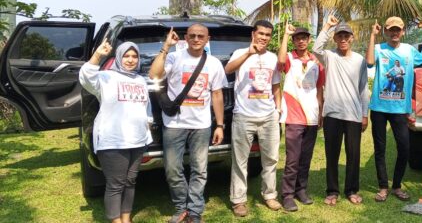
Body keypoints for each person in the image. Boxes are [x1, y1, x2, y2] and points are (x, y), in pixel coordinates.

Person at [149, 25, 227, 223]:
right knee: (173, 169)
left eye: (201, 36)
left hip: (201, 125)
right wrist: (166, 46)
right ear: (185, 38)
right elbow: (154, 75)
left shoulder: (214, 63)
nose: (196, 39)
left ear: (207, 39)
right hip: (175, 124)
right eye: (192, 35)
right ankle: (181, 207)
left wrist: (219, 125)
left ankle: (194, 211)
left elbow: (217, 94)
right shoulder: (175, 57)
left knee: (199, 170)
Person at [366, 16, 422, 202]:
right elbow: (369, 62)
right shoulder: (378, 49)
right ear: (385, 31)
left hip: (400, 109)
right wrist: (372, 35)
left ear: (402, 32)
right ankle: (383, 186)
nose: (394, 33)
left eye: (398, 29)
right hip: (379, 108)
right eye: (391, 29)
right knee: (380, 148)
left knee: (404, 148)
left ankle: (397, 186)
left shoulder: (409, 50)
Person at [79, 40, 152, 223]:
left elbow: (146, 107)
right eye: (126, 56)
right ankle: (115, 220)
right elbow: (86, 76)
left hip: (137, 140)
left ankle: (126, 219)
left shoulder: (140, 80)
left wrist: (147, 125)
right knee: (115, 184)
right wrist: (98, 55)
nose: (130, 60)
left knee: (130, 182)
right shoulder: (106, 78)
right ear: (119, 57)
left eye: (134, 56)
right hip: (113, 140)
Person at [225, 20, 282, 217]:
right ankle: (239, 200)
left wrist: (278, 109)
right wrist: (250, 52)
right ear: (253, 34)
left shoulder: (273, 57)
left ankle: (270, 195)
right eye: (261, 34)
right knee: (240, 160)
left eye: (268, 35)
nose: (264, 38)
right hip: (243, 116)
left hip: (268, 116)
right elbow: (228, 70)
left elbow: (275, 85)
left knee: (271, 158)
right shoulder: (240, 53)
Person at [312, 16, 369, 206]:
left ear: (352, 38)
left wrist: (364, 114)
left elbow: (363, 89)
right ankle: (332, 191)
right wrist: (327, 26)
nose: (343, 39)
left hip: (353, 115)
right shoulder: (330, 57)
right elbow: (316, 48)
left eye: (346, 36)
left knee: (353, 155)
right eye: (340, 36)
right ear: (335, 39)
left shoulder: (360, 60)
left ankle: (352, 190)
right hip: (332, 114)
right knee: (332, 154)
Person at [277, 23, 325, 212]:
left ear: (309, 40)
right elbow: (280, 61)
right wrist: (286, 36)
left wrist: (320, 113)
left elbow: (320, 88)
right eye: (297, 38)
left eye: (304, 38)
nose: (301, 41)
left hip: (311, 116)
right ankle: (287, 195)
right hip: (293, 116)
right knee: (293, 158)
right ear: (294, 41)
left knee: (306, 157)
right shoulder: (289, 57)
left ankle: (301, 190)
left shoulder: (317, 61)